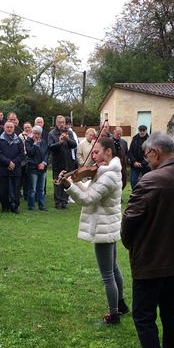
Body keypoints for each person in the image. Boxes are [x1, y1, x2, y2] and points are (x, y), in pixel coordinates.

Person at [121, 132, 174, 348]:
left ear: (155, 153)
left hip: (151, 260)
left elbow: (130, 219)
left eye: (147, 154)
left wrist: (131, 243)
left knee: (144, 317)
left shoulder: (150, 180)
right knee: (171, 314)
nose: (147, 159)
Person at [60, 137, 128, 324]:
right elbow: (90, 190)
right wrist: (74, 181)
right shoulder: (107, 171)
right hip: (108, 225)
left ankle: (114, 315)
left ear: (108, 152)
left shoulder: (109, 175)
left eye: (96, 152)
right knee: (113, 269)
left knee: (107, 274)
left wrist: (68, 185)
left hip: (103, 228)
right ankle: (121, 305)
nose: (93, 155)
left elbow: (87, 199)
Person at [48, 115, 77, 209]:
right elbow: (50, 146)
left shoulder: (69, 132)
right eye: (59, 122)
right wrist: (59, 142)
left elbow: (74, 145)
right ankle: (58, 202)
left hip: (67, 162)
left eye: (63, 122)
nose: (61, 124)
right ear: (56, 123)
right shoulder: (52, 133)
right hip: (57, 162)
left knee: (66, 182)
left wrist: (67, 139)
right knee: (58, 182)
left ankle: (64, 201)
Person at [0, 121, 23, 213]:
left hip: (15, 168)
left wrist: (13, 163)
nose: (9, 129)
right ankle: (5, 206)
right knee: (3, 189)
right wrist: (8, 162)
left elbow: (21, 154)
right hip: (3, 168)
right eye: (7, 127)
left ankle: (15, 206)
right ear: (4, 128)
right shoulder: (0, 140)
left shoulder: (18, 140)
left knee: (15, 189)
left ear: (14, 128)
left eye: (11, 127)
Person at [25, 125, 48, 211]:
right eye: (35, 133)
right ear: (32, 133)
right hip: (33, 168)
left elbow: (46, 153)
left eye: (38, 134)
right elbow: (30, 153)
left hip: (42, 168)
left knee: (41, 189)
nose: (36, 136)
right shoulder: (28, 141)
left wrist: (44, 163)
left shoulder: (44, 142)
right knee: (32, 189)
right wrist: (34, 144)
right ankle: (31, 207)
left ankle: (42, 206)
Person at [128, 125, 150, 189]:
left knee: (147, 182)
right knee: (133, 181)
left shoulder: (149, 140)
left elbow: (150, 153)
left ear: (146, 131)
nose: (142, 132)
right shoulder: (134, 139)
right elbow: (130, 151)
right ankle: (135, 195)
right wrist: (134, 161)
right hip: (135, 164)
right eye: (140, 131)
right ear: (138, 131)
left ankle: (146, 196)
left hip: (146, 165)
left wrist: (143, 163)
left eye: (143, 131)